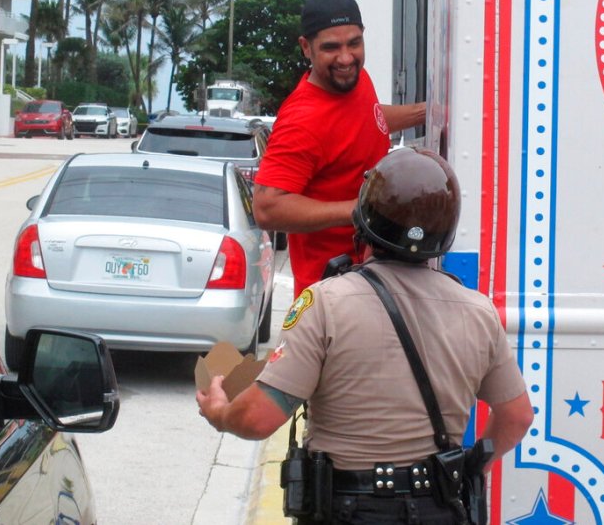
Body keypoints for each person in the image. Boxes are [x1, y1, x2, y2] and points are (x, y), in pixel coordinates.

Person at [198, 147, 533, 524]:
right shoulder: (479, 312)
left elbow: (258, 418)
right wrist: (473, 468)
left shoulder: (326, 303)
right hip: (438, 508)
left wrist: (221, 413)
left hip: (349, 509)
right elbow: (517, 416)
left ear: (364, 221)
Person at [253, 0, 425, 297]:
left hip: (375, 282)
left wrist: (426, 112)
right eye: (331, 47)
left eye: (354, 43)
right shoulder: (302, 119)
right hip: (332, 298)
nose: (346, 58)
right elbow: (267, 208)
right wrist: (362, 210)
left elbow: (366, 119)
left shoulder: (357, 81)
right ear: (306, 48)